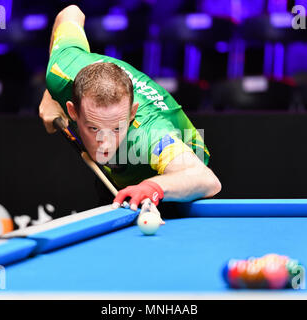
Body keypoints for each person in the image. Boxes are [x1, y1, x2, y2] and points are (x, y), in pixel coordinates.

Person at [39, 5, 221, 213]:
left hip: (174, 185)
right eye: (94, 128)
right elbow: (71, 12)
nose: (104, 144)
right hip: (122, 177)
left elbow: (206, 179)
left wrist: (152, 187)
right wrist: (51, 94)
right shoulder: (62, 71)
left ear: (131, 113)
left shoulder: (150, 134)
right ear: (72, 111)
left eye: (116, 128)